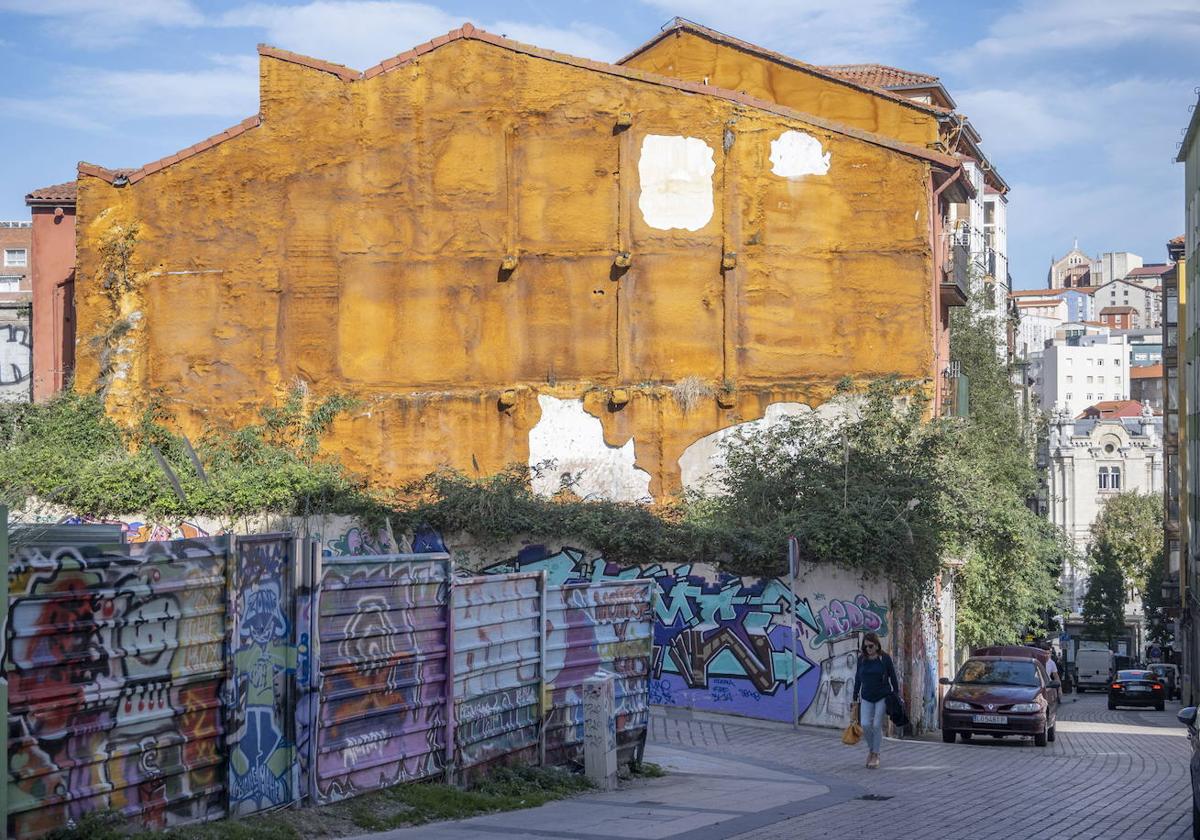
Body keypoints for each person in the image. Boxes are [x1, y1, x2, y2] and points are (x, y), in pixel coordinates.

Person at [852, 631, 899, 769]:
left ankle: (875, 755)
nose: (868, 649)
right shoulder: (862, 659)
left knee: (877, 725)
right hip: (866, 696)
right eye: (865, 647)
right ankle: (872, 750)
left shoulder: (885, 659)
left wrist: (896, 694)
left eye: (871, 646)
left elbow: (893, 677)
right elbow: (858, 678)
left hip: (882, 696)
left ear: (877, 645)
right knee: (865, 724)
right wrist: (855, 695)